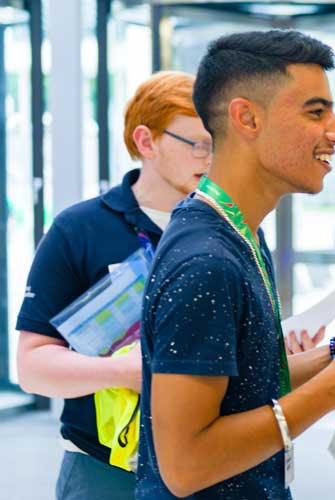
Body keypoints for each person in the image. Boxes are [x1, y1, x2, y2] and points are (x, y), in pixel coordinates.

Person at [136, 30, 335, 500]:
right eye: (316, 112)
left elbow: (250, 380)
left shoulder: (240, 231)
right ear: (247, 118)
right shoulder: (207, 261)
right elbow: (185, 466)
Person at [15, 71, 211, 500]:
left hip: (215, 460)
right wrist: (124, 371)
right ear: (146, 141)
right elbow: (31, 367)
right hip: (105, 471)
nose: (210, 158)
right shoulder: (79, 229)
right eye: (198, 144)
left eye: (219, 144)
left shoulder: (232, 228)